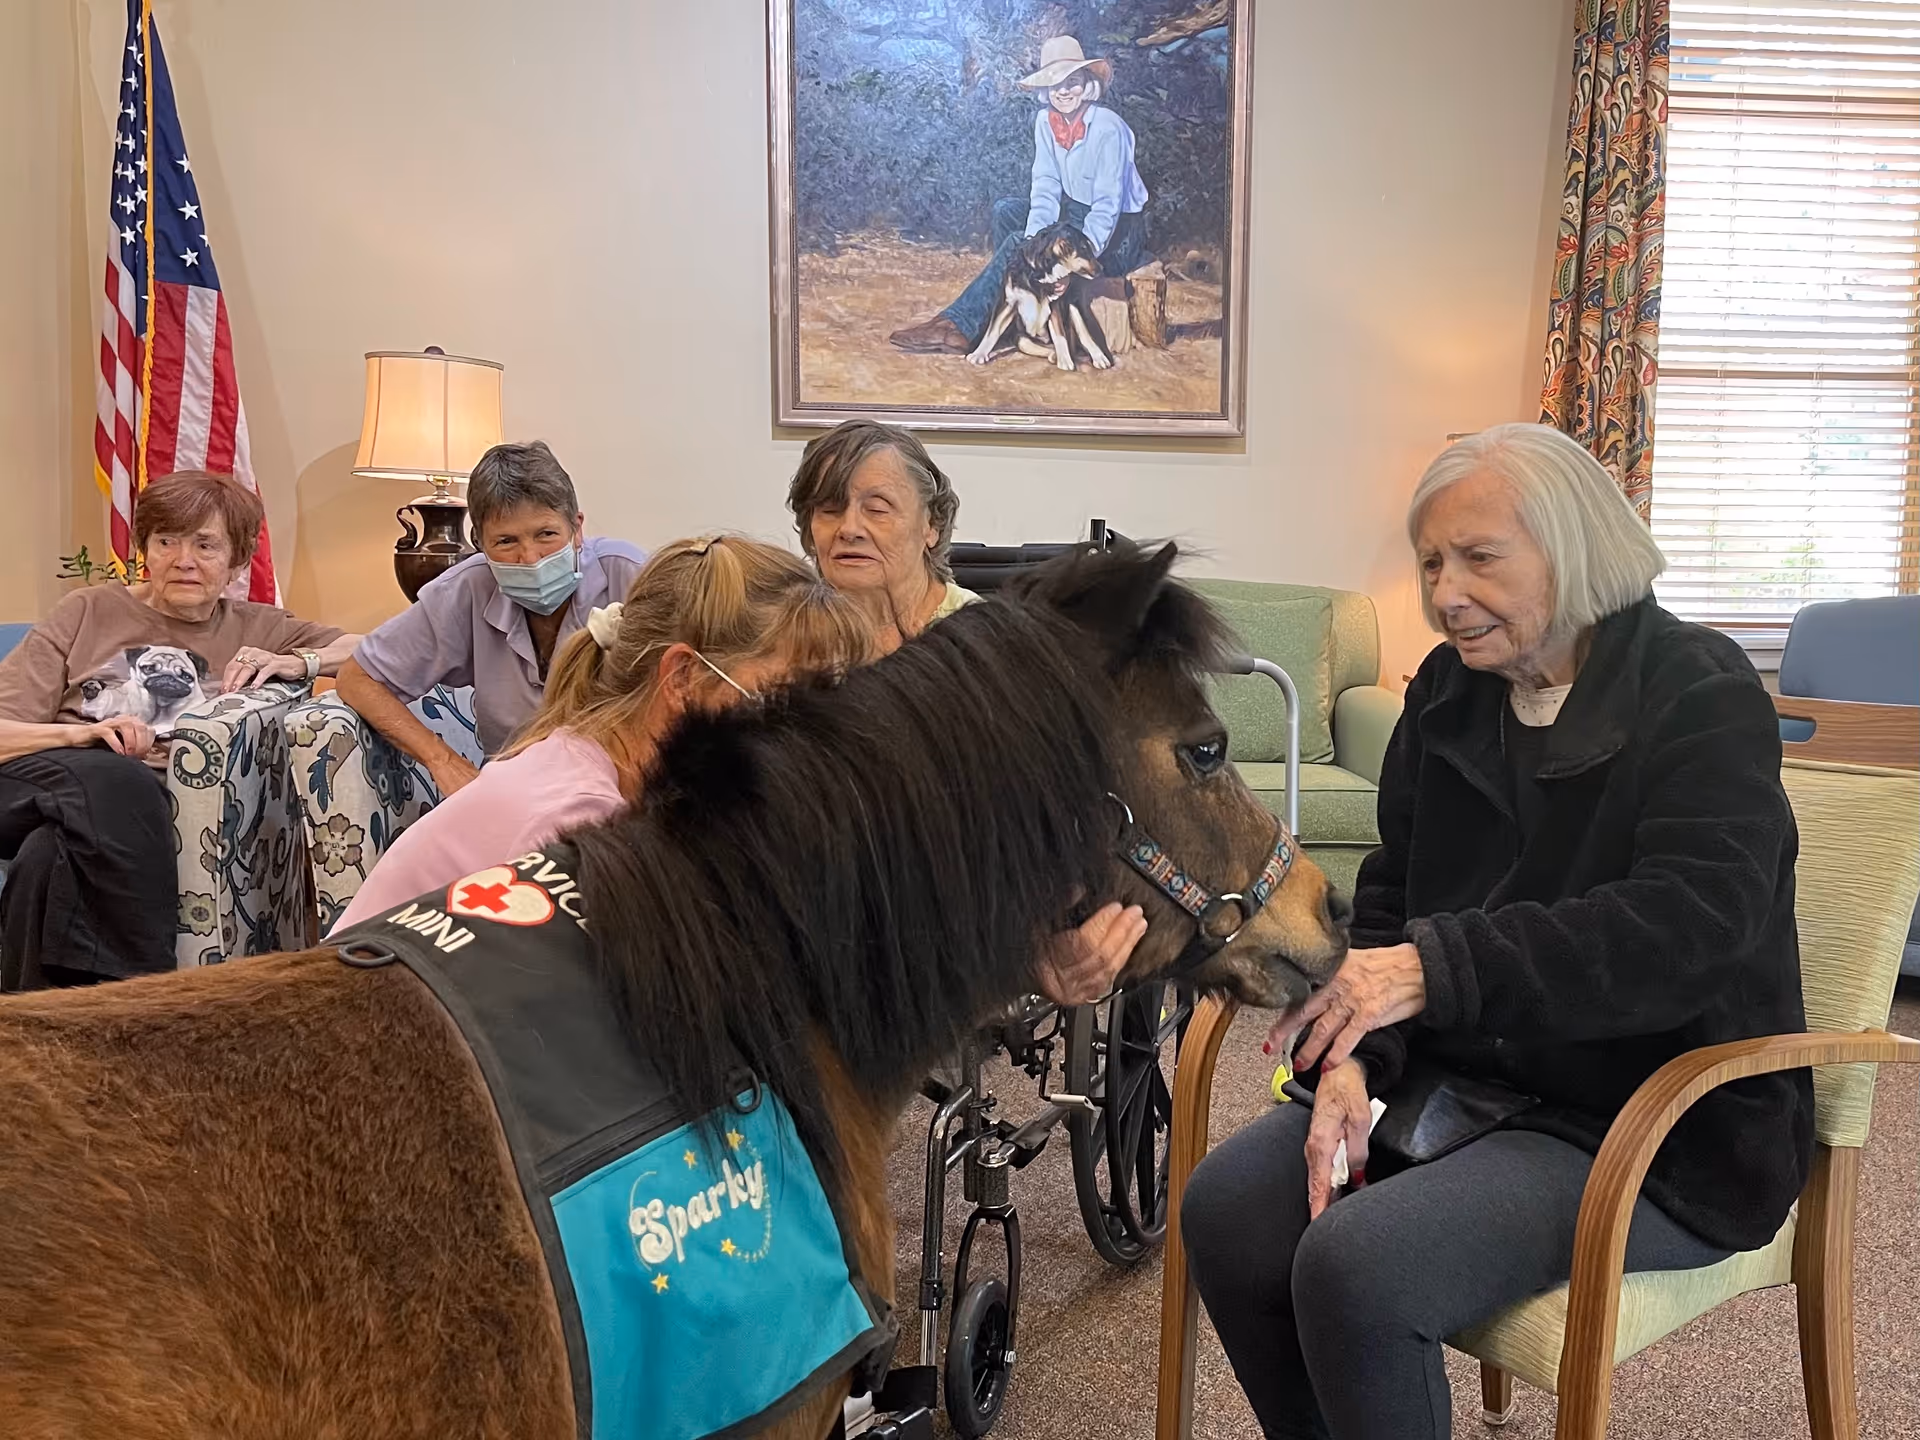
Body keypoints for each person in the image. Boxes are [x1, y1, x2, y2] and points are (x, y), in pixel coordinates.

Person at [1179, 423, 1813, 1440]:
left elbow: (1694, 925)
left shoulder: (1701, 689)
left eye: (1479, 557)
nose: (1444, 590)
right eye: (1431, 561)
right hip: (1470, 1085)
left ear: (1573, 545)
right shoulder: (1449, 691)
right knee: (1228, 1213)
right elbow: (1393, 897)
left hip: (1648, 1118)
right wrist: (1353, 1061)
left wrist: (1432, 973)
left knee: (1360, 1263)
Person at [336, 533, 1139, 1007]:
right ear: (684, 680)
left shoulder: (633, 784)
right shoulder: (574, 821)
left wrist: (1020, 962)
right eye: (791, 694)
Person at [0, 470, 360, 991]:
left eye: (206, 544)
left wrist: (301, 660)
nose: (183, 560)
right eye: (166, 541)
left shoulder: (260, 627)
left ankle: (35, 1026)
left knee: (48, 854)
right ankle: (149, 997)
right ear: (146, 546)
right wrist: (82, 737)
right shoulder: (87, 610)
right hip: (33, 782)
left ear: (238, 560)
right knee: (119, 778)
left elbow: (382, 647)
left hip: (124, 818)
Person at [335, 441, 646, 794]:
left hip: (623, 791)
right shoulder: (465, 589)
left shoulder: (629, 574)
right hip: (514, 796)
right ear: (480, 543)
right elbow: (357, 678)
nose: (530, 558)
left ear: (577, 529)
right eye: (506, 542)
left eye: (546, 534)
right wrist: (443, 761)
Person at [889, 35, 1150, 357]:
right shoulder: (1045, 122)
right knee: (1006, 212)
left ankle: (957, 327)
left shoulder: (1108, 128)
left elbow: (1107, 207)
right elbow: (1045, 186)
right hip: (1075, 215)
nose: (1064, 91)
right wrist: (1035, 246)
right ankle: (1017, 304)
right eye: (1055, 84)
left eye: (1073, 81)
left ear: (1088, 85)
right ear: (1045, 90)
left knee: (1016, 243)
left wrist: (1064, 264)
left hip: (1117, 233)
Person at [786, 418, 978, 654]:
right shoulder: (790, 636)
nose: (849, 529)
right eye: (830, 510)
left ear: (931, 526)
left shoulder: (979, 639)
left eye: (877, 510)